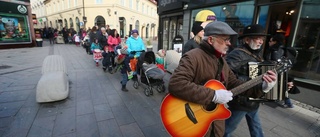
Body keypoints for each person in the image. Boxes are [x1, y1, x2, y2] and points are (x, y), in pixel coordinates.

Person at [168, 21, 277, 137]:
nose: (229, 43)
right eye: (226, 39)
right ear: (211, 40)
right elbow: (176, 84)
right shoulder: (192, 57)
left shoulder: (221, 60)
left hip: (215, 123)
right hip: (194, 121)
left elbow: (234, 83)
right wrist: (214, 95)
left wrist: (262, 88)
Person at [224, 24, 277, 137]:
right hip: (241, 101)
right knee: (227, 129)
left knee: (256, 127)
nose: (261, 41)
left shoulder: (256, 53)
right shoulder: (237, 54)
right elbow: (225, 75)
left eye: (262, 39)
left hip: (252, 99)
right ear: (247, 40)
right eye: (258, 38)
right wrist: (252, 81)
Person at [266, 34, 294, 108]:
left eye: (270, 41)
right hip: (283, 70)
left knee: (281, 86)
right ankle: (287, 102)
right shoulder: (283, 48)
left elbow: (275, 61)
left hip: (277, 71)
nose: (269, 42)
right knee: (282, 86)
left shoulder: (275, 49)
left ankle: (288, 102)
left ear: (275, 42)